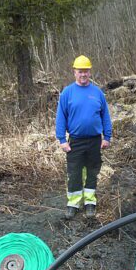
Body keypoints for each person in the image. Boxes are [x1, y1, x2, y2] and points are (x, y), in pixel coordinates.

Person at [55, 55, 112, 220]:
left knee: (92, 172)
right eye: (80, 71)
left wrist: (106, 136)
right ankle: (73, 204)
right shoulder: (67, 93)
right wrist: (62, 140)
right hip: (76, 141)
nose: (83, 75)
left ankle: (90, 203)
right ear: (74, 72)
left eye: (86, 71)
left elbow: (105, 116)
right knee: (74, 173)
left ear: (89, 72)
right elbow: (60, 118)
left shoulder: (97, 93)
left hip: (95, 140)